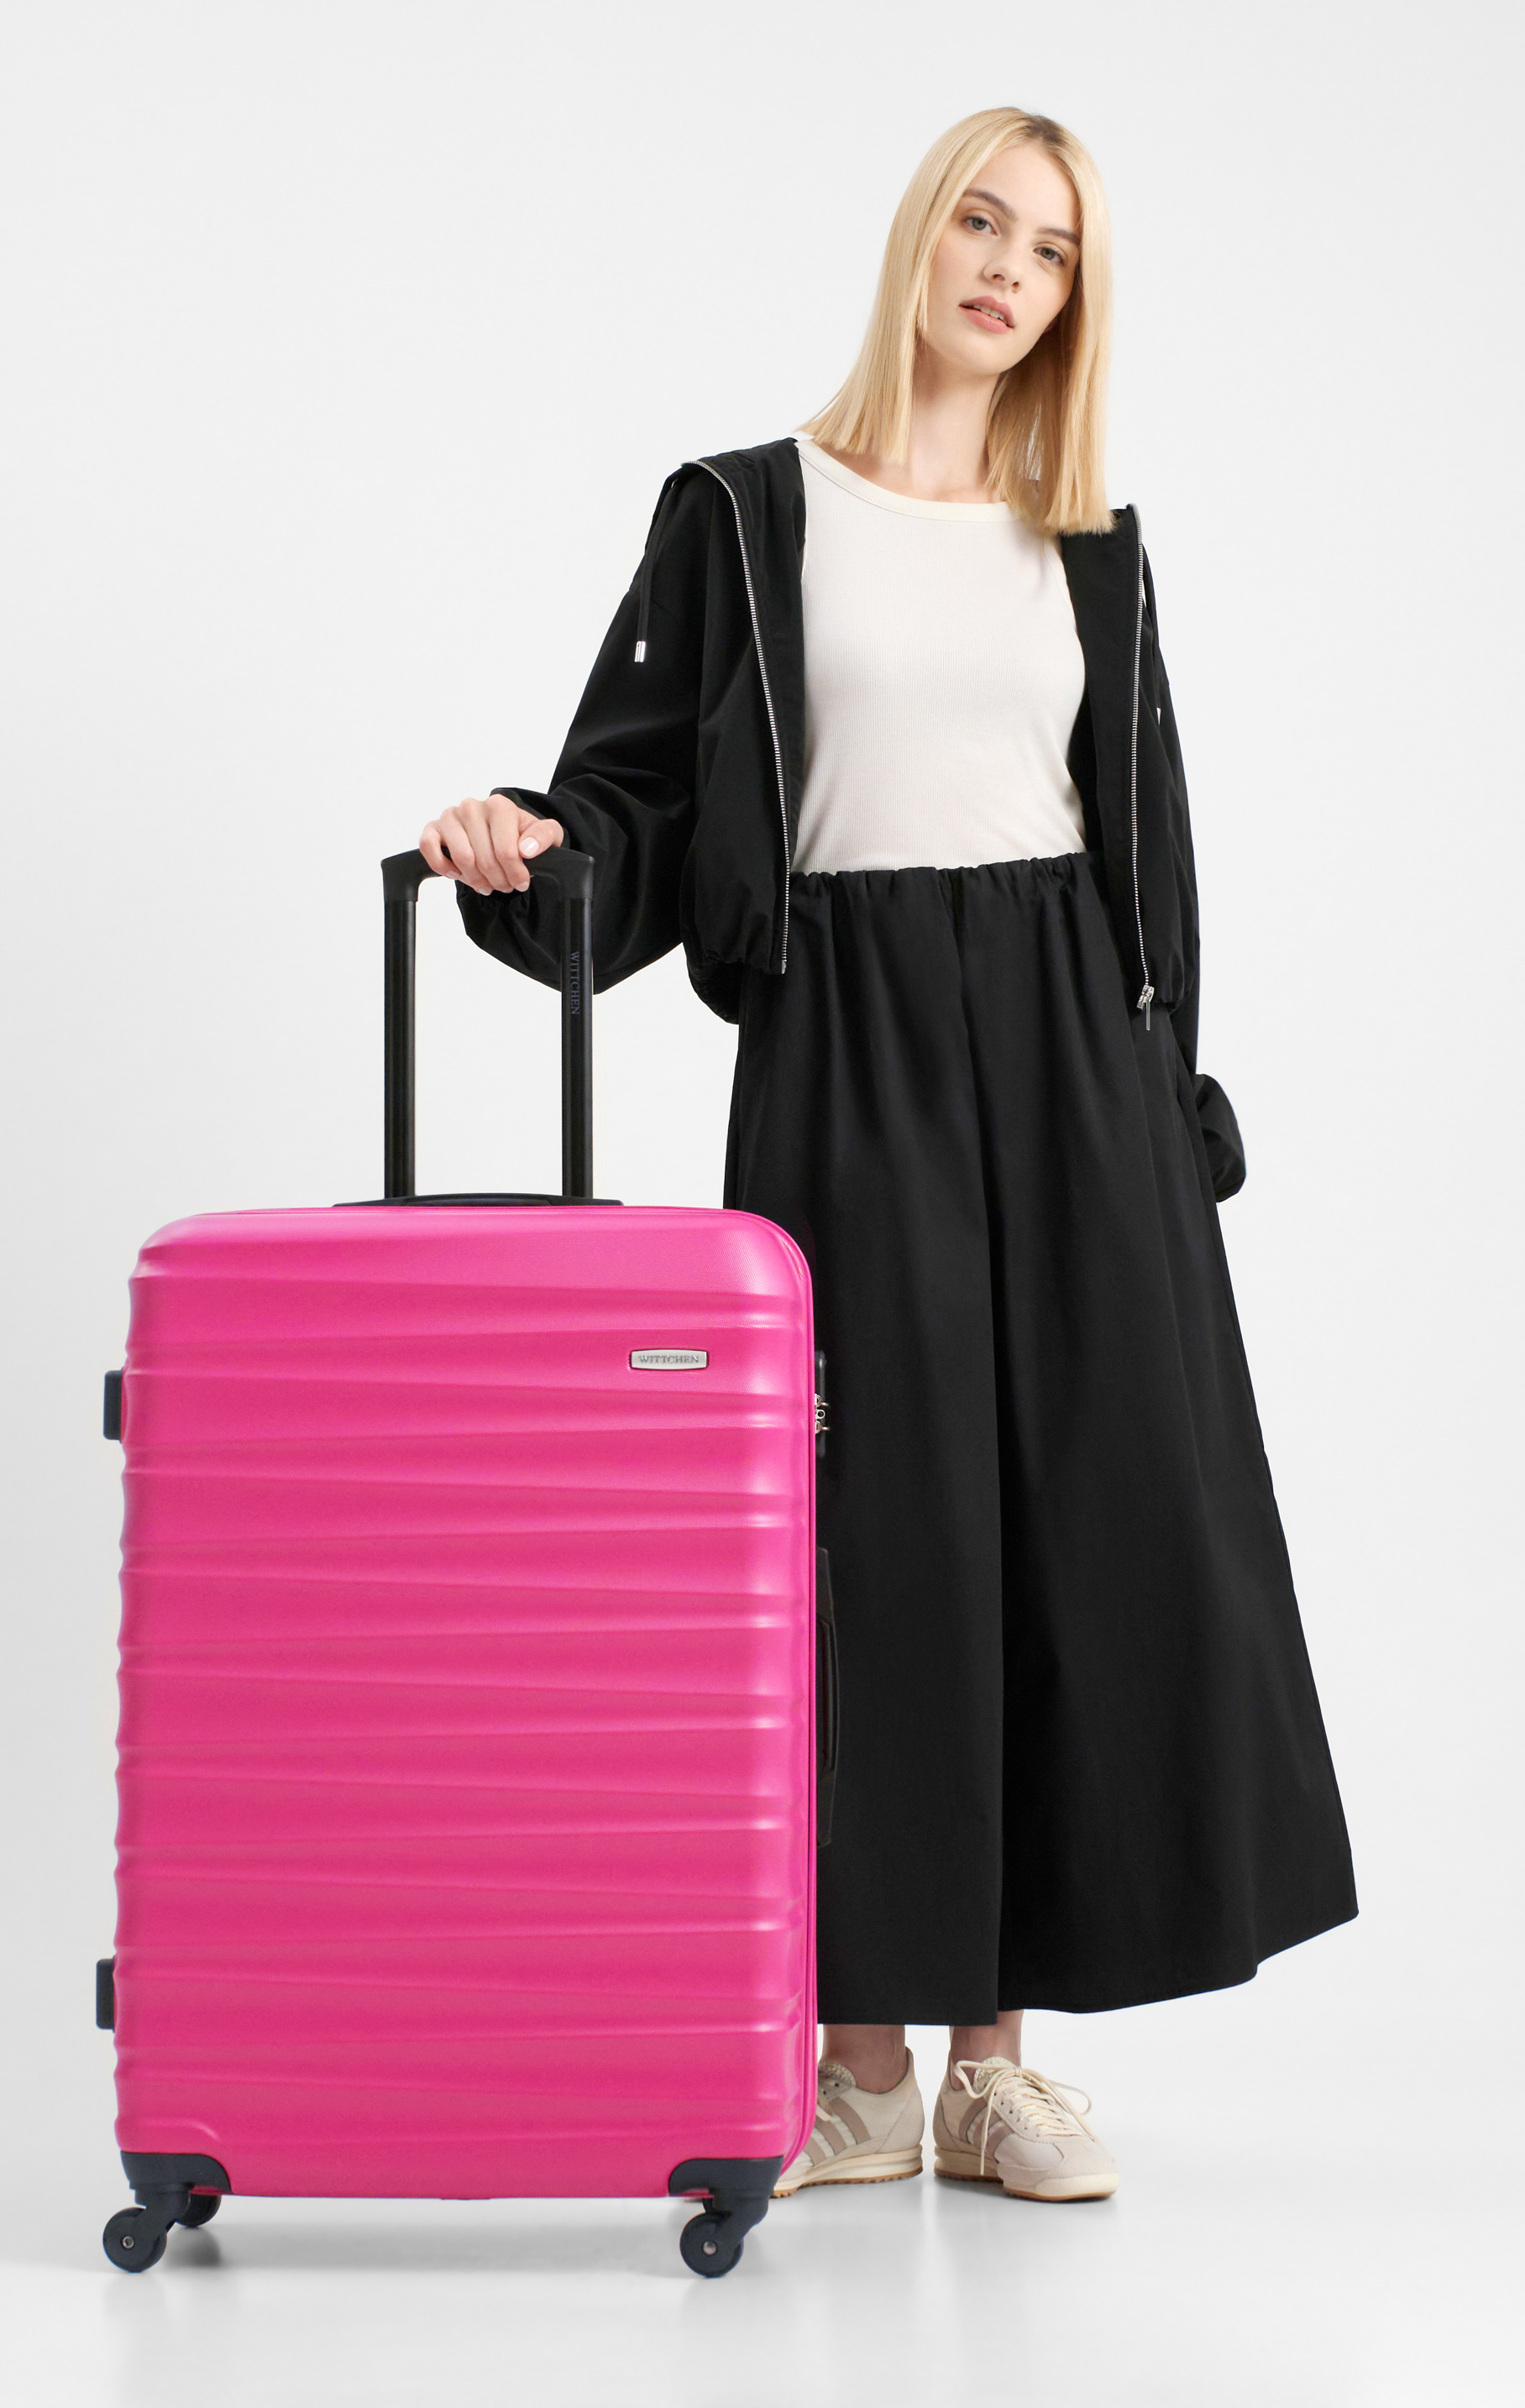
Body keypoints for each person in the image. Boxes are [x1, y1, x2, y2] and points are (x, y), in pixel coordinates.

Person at [418, 106, 1357, 2205]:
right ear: (920, 238)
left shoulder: (1089, 544)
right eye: (982, 222)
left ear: (1074, 301)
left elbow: (1148, 861)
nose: (1010, 269)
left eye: (1055, 250)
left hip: (1072, 1055)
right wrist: (524, 846)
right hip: (844, 1046)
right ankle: (853, 2057)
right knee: (861, 1531)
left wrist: (1165, 1105)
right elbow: (628, 808)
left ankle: (992, 2069)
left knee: (1060, 1522)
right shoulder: (744, 513)